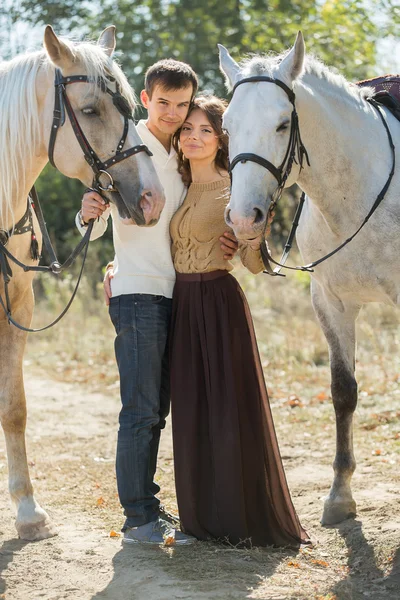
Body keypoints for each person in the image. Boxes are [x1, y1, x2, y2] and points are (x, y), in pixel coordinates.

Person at [76, 60, 238, 545]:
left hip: (183, 296)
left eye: (182, 104)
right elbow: (97, 222)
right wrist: (88, 215)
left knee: (163, 409)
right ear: (146, 100)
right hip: (139, 295)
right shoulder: (125, 148)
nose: (172, 112)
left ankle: (151, 506)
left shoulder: (185, 157)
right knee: (142, 410)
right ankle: (139, 521)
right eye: (163, 102)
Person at [169, 95, 310, 547]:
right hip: (183, 305)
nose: (193, 136)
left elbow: (251, 265)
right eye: (187, 129)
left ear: (221, 138)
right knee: (191, 413)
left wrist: (250, 241)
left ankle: (237, 518)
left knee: (229, 412)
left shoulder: (235, 187)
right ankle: (200, 518)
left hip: (219, 303)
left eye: (205, 130)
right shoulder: (175, 184)